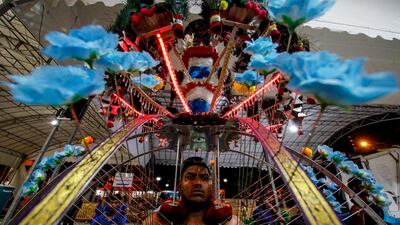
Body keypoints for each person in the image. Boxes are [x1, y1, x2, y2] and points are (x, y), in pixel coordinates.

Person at [143, 157, 240, 225]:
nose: (197, 182)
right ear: (179, 186)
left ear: (211, 187)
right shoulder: (160, 218)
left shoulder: (227, 220)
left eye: (204, 178)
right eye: (190, 177)